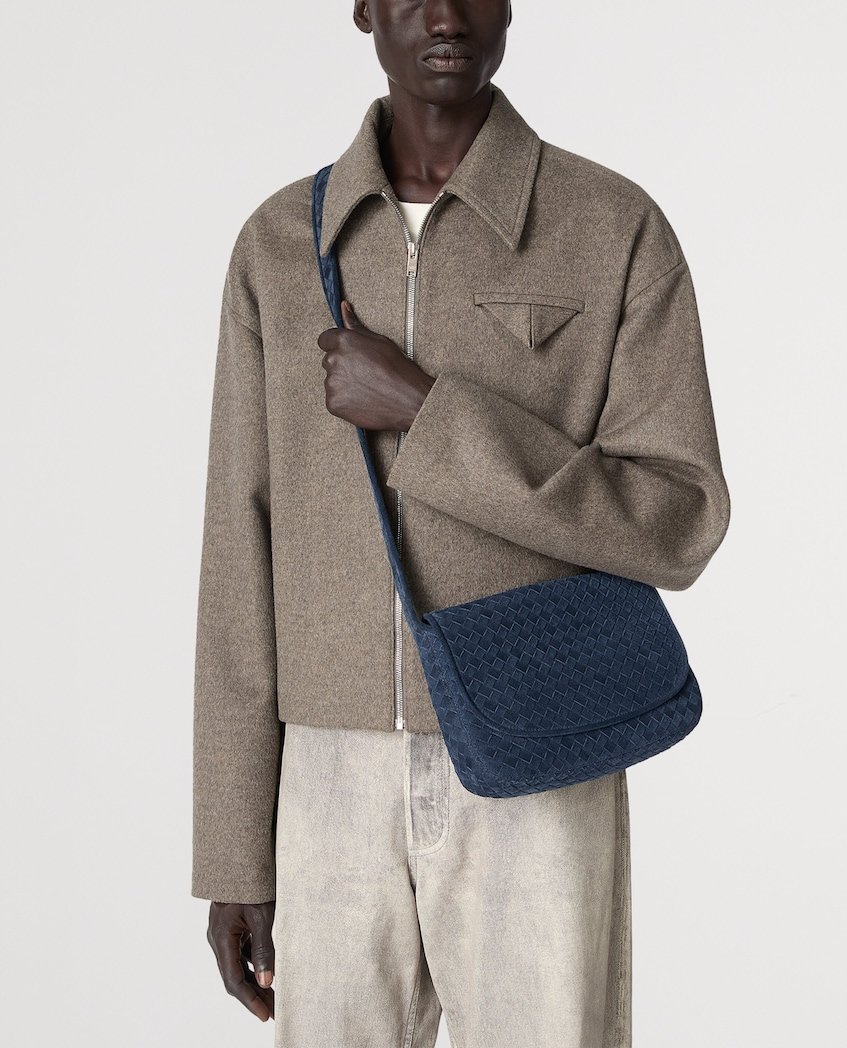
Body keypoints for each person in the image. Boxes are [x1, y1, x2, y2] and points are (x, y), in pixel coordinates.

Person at [191, 3, 731, 1046]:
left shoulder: (609, 227)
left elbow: (680, 517)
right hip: (329, 775)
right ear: (361, 7)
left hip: (542, 751)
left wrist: (430, 415)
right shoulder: (278, 246)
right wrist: (234, 851)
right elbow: (237, 548)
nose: (445, 12)